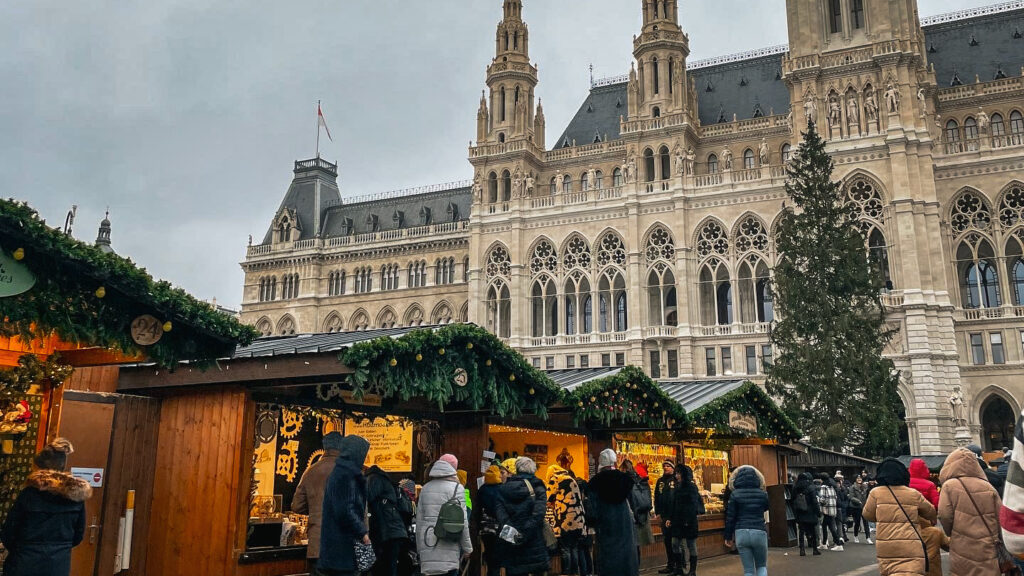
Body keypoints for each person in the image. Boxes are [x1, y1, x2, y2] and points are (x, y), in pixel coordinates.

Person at [0, 438, 89, 576]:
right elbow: (78, 536)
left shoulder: (29, 494)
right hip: (58, 566)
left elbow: (9, 533)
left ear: (39, 467)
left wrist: (22, 549)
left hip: (23, 563)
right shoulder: (75, 498)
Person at [862, 458, 936, 576]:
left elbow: (867, 515)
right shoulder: (913, 493)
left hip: (886, 545)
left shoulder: (875, 493)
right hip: (910, 544)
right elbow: (931, 512)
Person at [938, 447, 1003, 576]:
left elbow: (944, 515)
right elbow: (1000, 516)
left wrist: (953, 532)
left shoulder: (949, 486)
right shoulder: (987, 486)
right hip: (987, 544)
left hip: (962, 545)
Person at [319, 434, 372, 576]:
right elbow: (345, 510)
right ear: (357, 453)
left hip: (339, 549)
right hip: (342, 549)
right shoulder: (345, 475)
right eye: (364, 454)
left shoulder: (342, 472)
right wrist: (363, 533)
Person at [293, 432, 343, 573]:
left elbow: (297, 506)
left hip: (318, 546)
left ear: (325, 447)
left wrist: (316, 509)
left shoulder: (310, 471)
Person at [586, 449, 639, 576]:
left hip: (606, 529)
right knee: (626, 561)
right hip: (625, 528)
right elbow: (635, 504)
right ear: (615, 462)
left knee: (608, 561)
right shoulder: (625, 480)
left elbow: (591, 513)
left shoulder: (594, 483)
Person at [416, 456, 472, 576]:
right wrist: (467, 548)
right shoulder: (458, 488)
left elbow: (419, 521)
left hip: (428, 542)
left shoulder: (425, 489)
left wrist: (419, 549)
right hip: (449, 542)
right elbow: (463, 522)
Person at [495, 457, 549, 576]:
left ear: (517, 469)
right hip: (534, 540)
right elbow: (538, 514)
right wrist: (526, 532)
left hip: (511, 543)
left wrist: (514, 534)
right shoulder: (538, 486)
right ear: (533, 470)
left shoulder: (503, 489)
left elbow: (501, 515)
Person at [366, 463, 413, 576]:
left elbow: (366, 499)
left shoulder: (373, 479)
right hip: (396, 531)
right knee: (389, 566)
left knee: (382, 566)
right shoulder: (385, 481)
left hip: (386, 531)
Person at [724, 466, 770, 576]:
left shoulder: (734, 494)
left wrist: (728, 536)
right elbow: (766, 507)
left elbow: (730, 517)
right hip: (759, 530)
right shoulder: (763, 494)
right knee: (761, 566)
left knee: (748, 570)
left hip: (741, 532)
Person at [547, 464, 586, 576]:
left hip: (565, 520)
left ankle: (566, 572)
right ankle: (575, 572)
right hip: (578, 520)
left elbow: (548, 498)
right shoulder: (570, 478)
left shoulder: (555, 479)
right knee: (574, 548)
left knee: (565, 549)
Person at [667, 466, 701, 576]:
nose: (676, 476)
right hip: (677, 520)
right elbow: (674, 504)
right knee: (675, 543)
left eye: (679, 473)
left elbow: (694, 504)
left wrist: (688, 519)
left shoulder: (691, 487)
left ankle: (692, 571)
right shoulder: (677, 487)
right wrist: (670, 518)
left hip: (689, 520)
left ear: (684, 474)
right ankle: (679, 568)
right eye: (676, 473)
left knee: (691, 544)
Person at [476, 464, 507, 576]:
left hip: (486, 529)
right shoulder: (503, 489)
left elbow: (478, 510)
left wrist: (477, 528)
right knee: (498, 558)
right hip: (500, 528)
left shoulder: (482, 490)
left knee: (489, 556)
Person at [624, 460, 654, 552]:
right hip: (641, 516)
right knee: (636, 546)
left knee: (631, 547)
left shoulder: (625, 482)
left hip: (631, 517)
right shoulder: (639, 480)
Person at [654, 461, 677, 574]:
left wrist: (672, 516)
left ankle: (679, 565)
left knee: (675, 542)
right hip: (663, 516)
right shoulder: (660, 481)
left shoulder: (676, 480)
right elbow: (656, 497)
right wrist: (657, 513)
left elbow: (676, 499)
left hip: (674, 515)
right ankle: (670, 565)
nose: (665, 468)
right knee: (667, 541)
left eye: (668, 466)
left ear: (673, 468)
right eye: (664, 466)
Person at [792, 472, 822, 556]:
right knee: (813, 531)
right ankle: (815, 549)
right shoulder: (810, 487)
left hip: (800, 513)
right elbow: (814, 502)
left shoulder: (795, 488)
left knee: (801, 531)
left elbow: (792, 500)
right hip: (811, 512)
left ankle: (802, 550)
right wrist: (818, 512)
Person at [817, 474, 843, 550]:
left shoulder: (823, 487)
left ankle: (838, 544)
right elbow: (835, 497)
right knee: (825, 526)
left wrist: (818, 500)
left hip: (826, 509)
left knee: (831, 527)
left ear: (822, 479)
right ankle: (824, 543)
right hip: (832, 509)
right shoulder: (832, 486)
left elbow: (823, 499)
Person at [848, 475, 872, 544]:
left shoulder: (865, 487)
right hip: (856, 507)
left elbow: (868, 495)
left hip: (864, 507)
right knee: (857, 523)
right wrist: (858, 501)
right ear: (855, 479)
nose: (859, 479)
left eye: (860, 478)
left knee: (866, 522)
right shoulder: (852, 487)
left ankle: (868, 538)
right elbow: (851, 497)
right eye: (858, 478)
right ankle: (855, 536)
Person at [834, 473, 850, 542]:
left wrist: (845, 505)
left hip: (843, 508)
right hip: (837, 508)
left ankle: (842, 536)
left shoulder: (843, 490)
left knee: (841, 522)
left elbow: (846, 498)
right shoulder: (834, 490)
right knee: (839, 523)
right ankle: (841, 536)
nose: (838, 483)